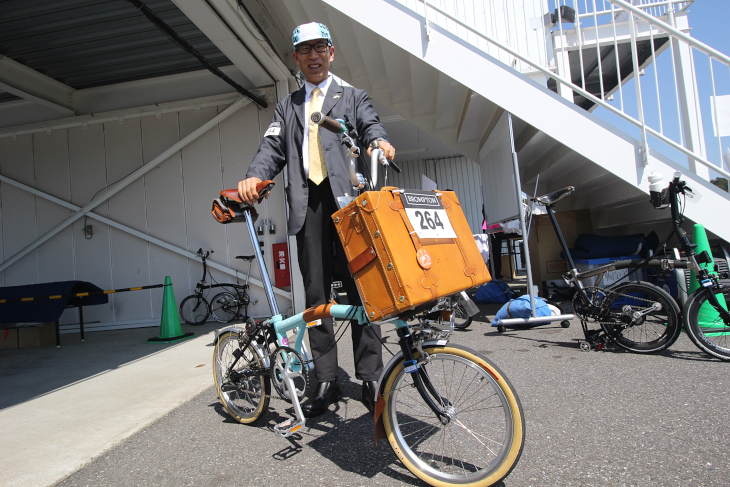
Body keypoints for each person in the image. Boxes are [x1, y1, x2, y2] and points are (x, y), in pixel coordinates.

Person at [237, 22, 396, 418]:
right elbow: (272, 147)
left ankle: (370, 374)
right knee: (316, 295)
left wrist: (378, 141)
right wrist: (256, 176)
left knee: (364, 288)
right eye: (305, 49)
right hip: (306, 202)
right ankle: (325, 377)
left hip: (349, 203)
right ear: (295, 57)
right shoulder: (287, 106)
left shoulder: (352, 96)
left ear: (331, 52)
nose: (313, 55)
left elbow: (370, 125)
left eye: (320, 47)